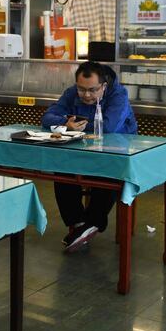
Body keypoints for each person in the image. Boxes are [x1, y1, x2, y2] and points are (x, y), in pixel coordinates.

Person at [41, 61, 137, 252]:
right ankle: (79, 225)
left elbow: (108, 127)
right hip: (82, 151)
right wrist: (64, 123)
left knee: (107, 171)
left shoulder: (118, 95)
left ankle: (92, 222)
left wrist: (76, 122)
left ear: (104, 86)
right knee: (62, 169)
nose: (86, 95)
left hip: (116, 152)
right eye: (81, 89)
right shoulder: (71, 93)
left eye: (92, 90)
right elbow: (47, 118)